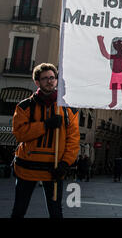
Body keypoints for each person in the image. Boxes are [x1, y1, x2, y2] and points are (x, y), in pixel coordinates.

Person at [10, 63, 80, 218]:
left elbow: (73, 140)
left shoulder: (69, 109)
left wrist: (64, 163)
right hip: (27, 168)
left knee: (56, 212)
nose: (49, 81)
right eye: (45, 78)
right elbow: (20, 134)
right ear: (37, 82)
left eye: (52, 78)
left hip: (54, 169)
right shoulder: (24, 106)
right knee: (19, 210)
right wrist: (45, 125)